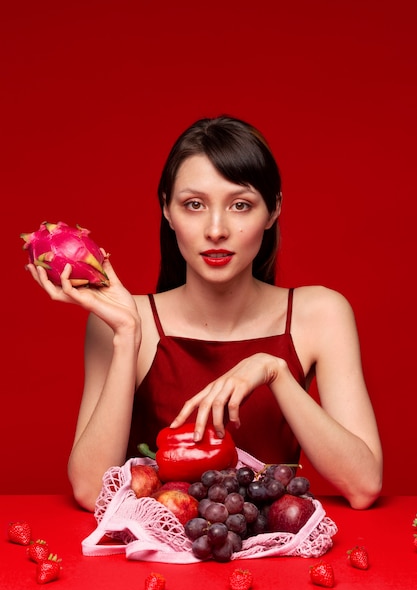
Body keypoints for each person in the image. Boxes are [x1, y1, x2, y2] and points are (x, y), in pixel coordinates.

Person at [27, 115, 383, 512]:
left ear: (273, 210)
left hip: (278, 562)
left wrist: (275, 371)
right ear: (167, 209)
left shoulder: (321, 313)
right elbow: (91, 492)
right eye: (194, 205)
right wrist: (128, 333)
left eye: (240, 205)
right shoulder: (121, 320)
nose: (216, 229)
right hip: (154, 568)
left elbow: (364, 485)